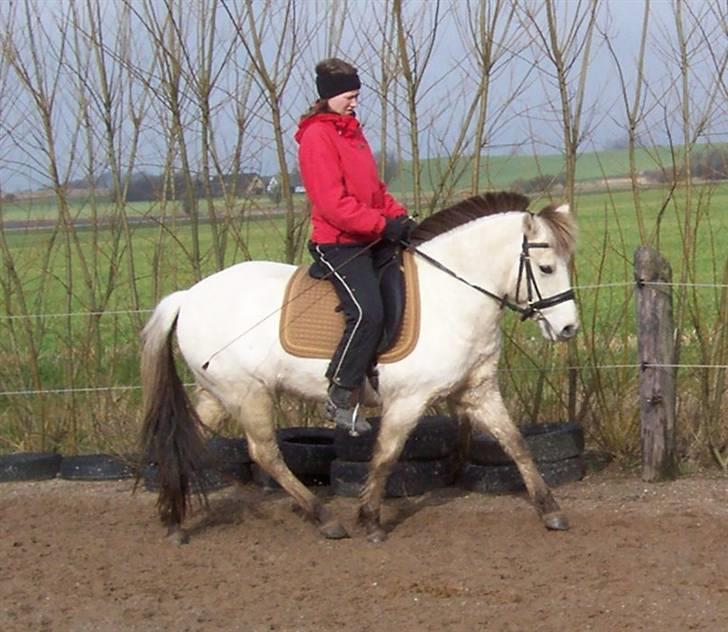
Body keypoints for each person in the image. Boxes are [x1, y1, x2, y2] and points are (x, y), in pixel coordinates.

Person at [295, 57, 414, 433]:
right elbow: (333, 204)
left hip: (370, 235)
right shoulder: (317, 137)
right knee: (367, 312)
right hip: (340, 244)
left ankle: (382, 376)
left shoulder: (352, 133)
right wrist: (382, 226)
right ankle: (341, 393)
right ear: (329, 96)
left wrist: (401, 219)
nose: (354, 102)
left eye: (357, 95)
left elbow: (374, 191)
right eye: (349, 95)